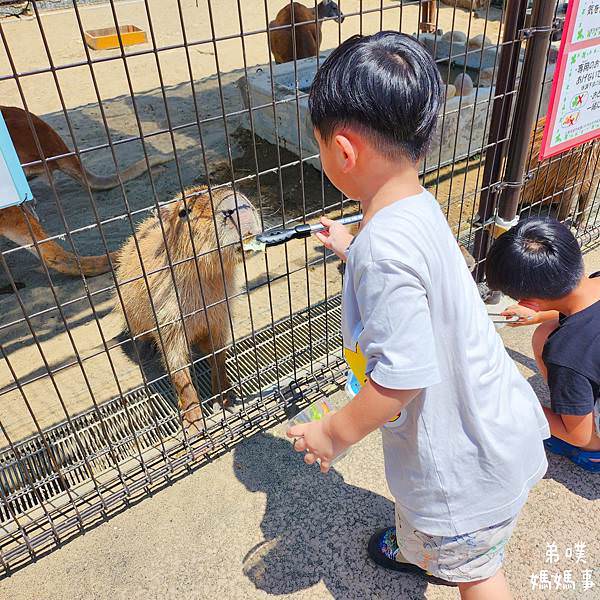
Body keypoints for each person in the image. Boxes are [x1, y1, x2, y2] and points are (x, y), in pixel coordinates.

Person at [287, 32, 549, 599]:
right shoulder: (414, 205)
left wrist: (333, 433)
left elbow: (400, 378)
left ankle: (439, 552)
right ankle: (419, 549)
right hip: (496, 422)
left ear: (344, 151)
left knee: (479, 574)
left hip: (464, 468)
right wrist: (354, 246)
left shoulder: (382, 250)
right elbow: (419, 275)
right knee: (460, 543)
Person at [485, 216, 600, 472]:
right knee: (545, 330)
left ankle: (594, 451)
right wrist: (539, 315)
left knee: (575, 432)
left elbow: (577, 434)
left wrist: (521, 405)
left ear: (528, 299)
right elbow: (580, 306)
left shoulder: (568, 353)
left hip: (586, 440)